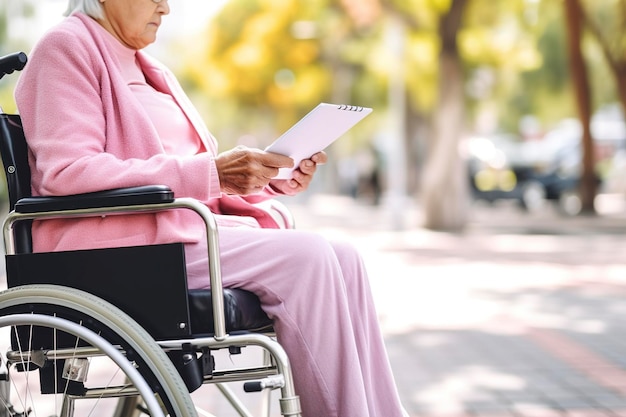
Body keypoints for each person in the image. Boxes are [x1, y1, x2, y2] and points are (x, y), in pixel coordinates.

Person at [14, 1, 407, 416]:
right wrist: (212, 173)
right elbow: (68, 171)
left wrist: (267, 180)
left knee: (345, 258)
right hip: (121, 244)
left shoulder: (149, 66)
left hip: (177, 230)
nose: (165, 7)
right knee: (308, 259)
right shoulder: (64, 47)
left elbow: (195, 177)